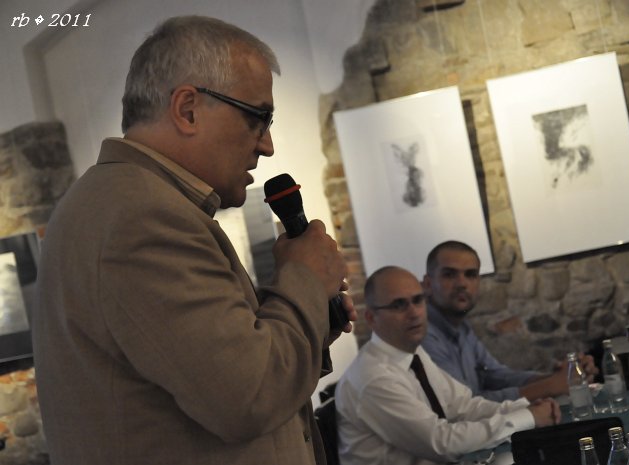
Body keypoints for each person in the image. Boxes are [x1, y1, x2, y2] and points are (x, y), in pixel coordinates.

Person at [32, 16, 355, 465]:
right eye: (258, 118)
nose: (267, 145)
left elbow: (213, 376)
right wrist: (302, 280)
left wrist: (308, 318)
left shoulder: (129, 203)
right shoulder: (141, 216)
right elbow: (248, 396)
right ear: (188, 109)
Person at [335, 266, 560, 465]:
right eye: (399, 305)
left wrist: (523, 409)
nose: (413, 313)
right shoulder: (374, 377)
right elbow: (441, 443)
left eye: (418, 300)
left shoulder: (412, 353)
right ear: (371, 318)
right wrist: (528, 418)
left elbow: (463, 406)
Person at [421, 240, 598, 402]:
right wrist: (550, 386)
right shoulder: (423, 336)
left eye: (470, 274)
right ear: (428, 284)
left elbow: (496, 375)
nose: (462, 283)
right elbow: (466, 406)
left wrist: (562, 376)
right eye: (449, 274)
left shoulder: (462, 327)